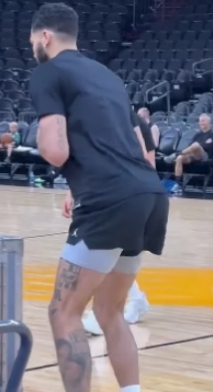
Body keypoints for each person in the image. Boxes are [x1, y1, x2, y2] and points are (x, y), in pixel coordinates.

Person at [28, 4, 167, 392]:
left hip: (109, 199)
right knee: (110, 312)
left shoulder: (48, 74)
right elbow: (137, 148)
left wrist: (41, 139)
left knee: (63, 312)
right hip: (147, 194)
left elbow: (55, 150)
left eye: (33, 40)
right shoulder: (107, 76)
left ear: (45, 37)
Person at [81, 109, 156, 336]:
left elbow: (148, 162)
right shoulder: (106, 121)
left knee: (106, 253)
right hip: (112, 195)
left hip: (129, 195)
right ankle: (135, 300)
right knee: (114, 255)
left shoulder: (133, 125)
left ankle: (103, 314)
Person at [162, 114, 213, 179]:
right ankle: (178, 180)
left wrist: (197, 146)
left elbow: (208, 146)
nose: (201, 123)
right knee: (179, 158)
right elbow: (190, 146)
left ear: (208, 122)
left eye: (203, 121)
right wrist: (197, 146)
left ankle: (175, 154)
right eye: (200, 121)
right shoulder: (198, 134)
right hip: (193, 155)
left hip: (205, 155)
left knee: (196, 145)